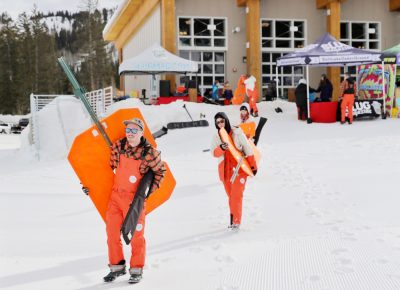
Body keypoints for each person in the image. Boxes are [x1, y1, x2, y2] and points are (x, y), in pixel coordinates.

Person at [104, 118, 166, 284]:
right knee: (111, 233)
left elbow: (160, 172)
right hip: (115, 197)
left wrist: (146, 193)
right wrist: (89, 185)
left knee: (137, 235)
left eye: (133, 130)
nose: (129, 134)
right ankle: (116, 267)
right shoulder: (119, 146)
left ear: (141, 132)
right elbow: (106, 168)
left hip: (134, 200)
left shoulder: (149, 152)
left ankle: (136, 269)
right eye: (128, 130)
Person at [211, 112, 257, 230]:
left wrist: (253, 166)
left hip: (240, 168)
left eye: (222, 121)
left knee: (236, 195)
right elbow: (214, 153)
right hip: (226, 172)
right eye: (217, 122)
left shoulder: (237, 132)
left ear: (226, 120)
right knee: (231, 197)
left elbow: (247, 148)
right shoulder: (216, 137)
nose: (220, 124)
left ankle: (236, 222)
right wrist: (221, 148)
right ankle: (233, 221)